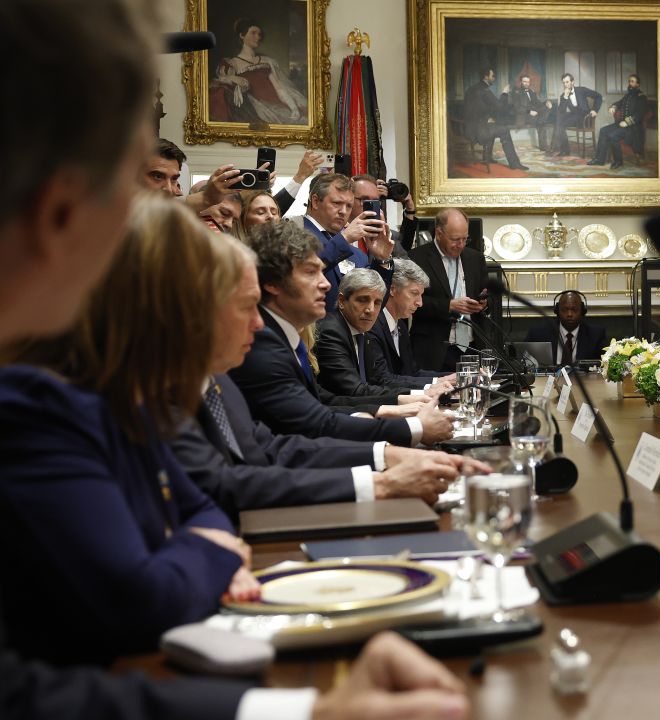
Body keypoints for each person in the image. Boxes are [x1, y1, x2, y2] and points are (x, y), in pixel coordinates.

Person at [0, 0, 469, 716]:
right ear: (64, 209)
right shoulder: (43, 396)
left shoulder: (96, 386)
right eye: (130, 182)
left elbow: (207, 498)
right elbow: (140, 591)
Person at [0, 196, 259, 665]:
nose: (253, 324)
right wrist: (213, 559)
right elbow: (138, 600)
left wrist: (191, 554)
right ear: (166, 312)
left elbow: (201, 507)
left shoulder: (129, 400)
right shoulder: (46, 408)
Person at [171, 247, 479, 516]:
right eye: (245, 306)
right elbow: (223, 484)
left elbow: (274, 447)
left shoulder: (218, 378)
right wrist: (382, 481)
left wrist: (386, 453)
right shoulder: (162, 391)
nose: (325, 283)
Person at [227, 220, 450, 445]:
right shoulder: (263, 344)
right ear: (273, 283)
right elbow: (313, 424)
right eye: (311, 272)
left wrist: (382, 410)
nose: (325, 284)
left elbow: (323, 401)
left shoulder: (283, 337)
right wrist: (412, 427)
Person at [316, 269, 454, 397]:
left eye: (377, 303)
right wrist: (421, 394)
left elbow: (379, 379)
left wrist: (432, 387)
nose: (370, 309)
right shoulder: (332, 332)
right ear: (341, 301)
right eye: (363, 300)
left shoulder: (362, 329)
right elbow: (355, 390)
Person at [407, 208, 490, 372]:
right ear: (439, 233)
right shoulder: (416, 258)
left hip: (472, 347)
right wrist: (449, 306)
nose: (461, 245)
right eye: (455, 239)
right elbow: (410, 304)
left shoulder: (475, 258)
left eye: (465, 239)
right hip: (434, 349)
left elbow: (487, 294)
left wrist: (484, 304)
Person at [297, 172, 393, 310]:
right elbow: (302, 272)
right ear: (316, 201)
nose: (343, 211)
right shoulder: (294, 231)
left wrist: (381, 260)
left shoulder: (356, 253)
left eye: (349, 206)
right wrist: (345, 238)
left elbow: (374, 305)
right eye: (337, 203)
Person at [209, 17, 308, 125]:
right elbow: (222, 81)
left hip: (275, 105)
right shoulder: (232, 63)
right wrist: (232, 78)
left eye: (259, 34)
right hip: (254, 108)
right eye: (253, 33)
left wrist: (293, 108)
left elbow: (279, 88)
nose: (258, 37)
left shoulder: (267, 61)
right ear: (242, 35)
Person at [370, 259, 440, 379]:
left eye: (421, 295)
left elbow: (412, 373)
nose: (420, 303)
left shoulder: (401, 325)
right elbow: (383, 380)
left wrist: (454, 377)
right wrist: (437, 384)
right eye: (414, 293)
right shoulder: (372, 326)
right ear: (392, 289)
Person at [464, 68, 528, 171]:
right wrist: (505, 93)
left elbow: (474, 110)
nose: (494, 78)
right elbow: (499, 108)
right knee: (504, 130)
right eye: (492, 76)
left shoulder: (471, 89)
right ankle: (514, 164)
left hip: (468, 129)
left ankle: (487, 157)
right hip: (479, 131)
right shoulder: (484, 90)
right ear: (486, 77)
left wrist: (486, 118)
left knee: (494, 124)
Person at [525, 290, 607, 365]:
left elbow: (605, 364)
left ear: (582, 311)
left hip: (583, 380)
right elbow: (522, 358)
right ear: (557, 311)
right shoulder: (538, 334)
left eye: (574, 309)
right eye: (564, 309)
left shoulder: (596, 335)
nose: (569, 314)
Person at [588, 74, 648, 169]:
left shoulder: (641, 97)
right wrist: (613, 107)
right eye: (629, 81)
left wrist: (627, 122)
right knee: (603, 130)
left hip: (633, 128)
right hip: (621, 124)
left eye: (632, 81)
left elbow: (639, 115)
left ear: (638, 84)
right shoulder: (628, 95)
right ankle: (599, 159)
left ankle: (618, 161)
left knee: (613, 135)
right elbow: (620, 103)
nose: (630, 83)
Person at [353, 174, 416, 258]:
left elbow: (406, 261)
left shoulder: (384, 233)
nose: (371, 206)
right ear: (349, 199)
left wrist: (410, 208)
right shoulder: (339, 234)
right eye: (365, 200)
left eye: (375, 200)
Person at [548, 73, 602, 157]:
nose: (565, 85)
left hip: (585, 119)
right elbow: (561, 110)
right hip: (575, 118)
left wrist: (595, 110)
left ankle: (562, 149)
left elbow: (598, 96)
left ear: (572, 82)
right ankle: (564, 150)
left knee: (559, 122)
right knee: (559, 120)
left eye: (567, 82)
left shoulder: (581, 90)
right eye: (564, 83)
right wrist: (565, 96)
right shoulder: (563, 95)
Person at [509, 73, 552, 150]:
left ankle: (541, 120)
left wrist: (545, 103)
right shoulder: (516, 92)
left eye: (528, 82)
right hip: (524, 115)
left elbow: (537, 103)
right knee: (542, 123)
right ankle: (544, 146)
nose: (526, 83)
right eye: (524, 81)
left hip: (535, 113)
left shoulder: (531, 91)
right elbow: (517, 108)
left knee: (547, 107)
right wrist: (529, 112)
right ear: (521, 82)